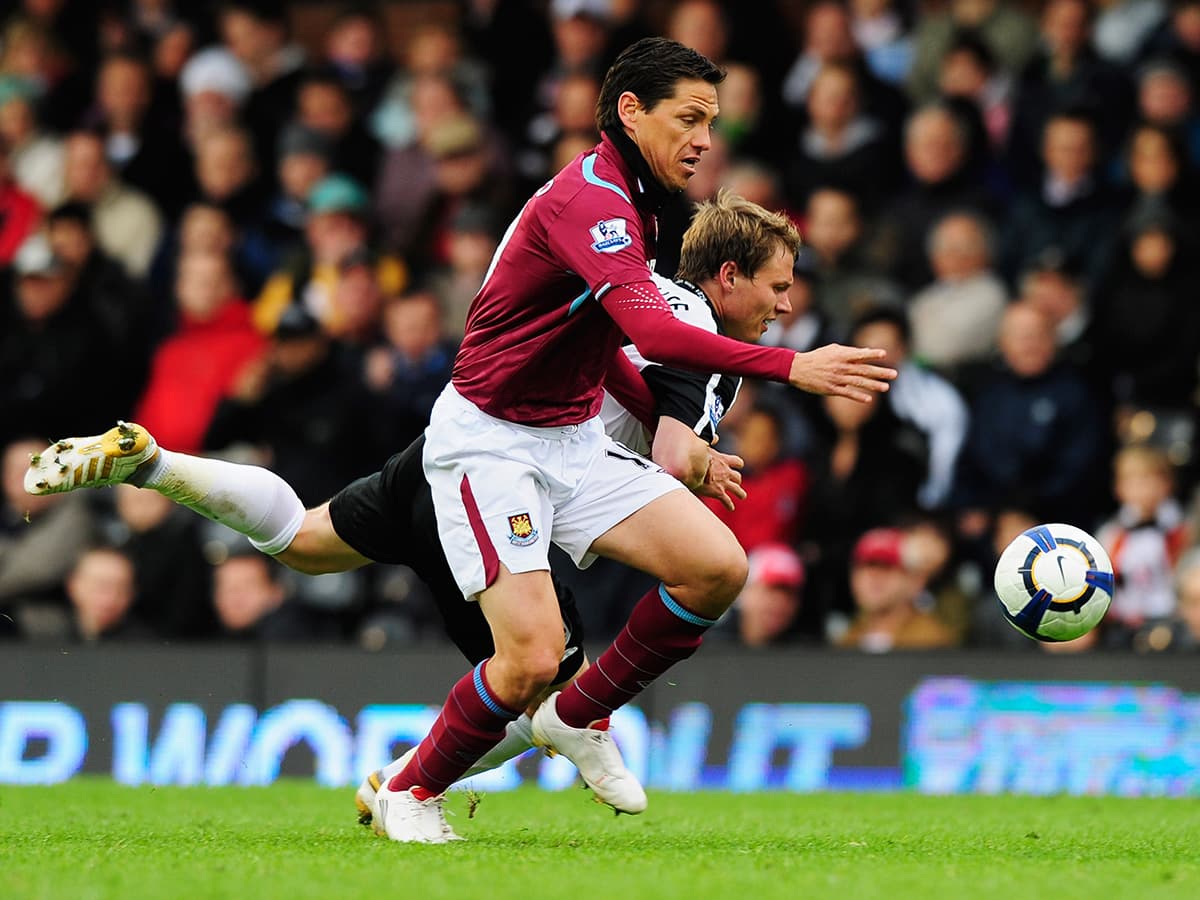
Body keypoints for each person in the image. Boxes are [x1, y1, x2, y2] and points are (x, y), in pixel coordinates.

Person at [27, 39, 894, 843]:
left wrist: (662, 422)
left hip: (563, 437)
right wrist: (793, 368)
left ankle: (577, 714)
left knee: (714, 567)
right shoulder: (594, 199)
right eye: (690, 116)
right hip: (489, 446)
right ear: (630, 111)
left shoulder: (649, 207)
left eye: (713, 119)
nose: (707, 136)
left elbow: (611, 345)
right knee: (524, 658)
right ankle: (412, 788)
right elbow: (656, 339)